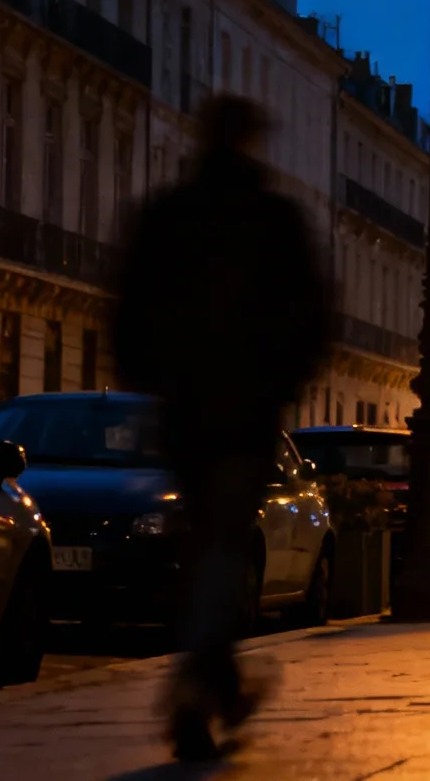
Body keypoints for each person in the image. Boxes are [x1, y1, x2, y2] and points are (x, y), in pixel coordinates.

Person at [112, 97, 331, 762]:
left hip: (183, 409)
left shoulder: (168, 215)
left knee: (206, 547)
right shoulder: (273, 219)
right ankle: (193, 686)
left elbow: (129, 304)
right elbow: (311, 314)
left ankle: (222, 686)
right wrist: (284, 381)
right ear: (252, 142)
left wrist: (150, 379)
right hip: (245, 410)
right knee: (221, 550)